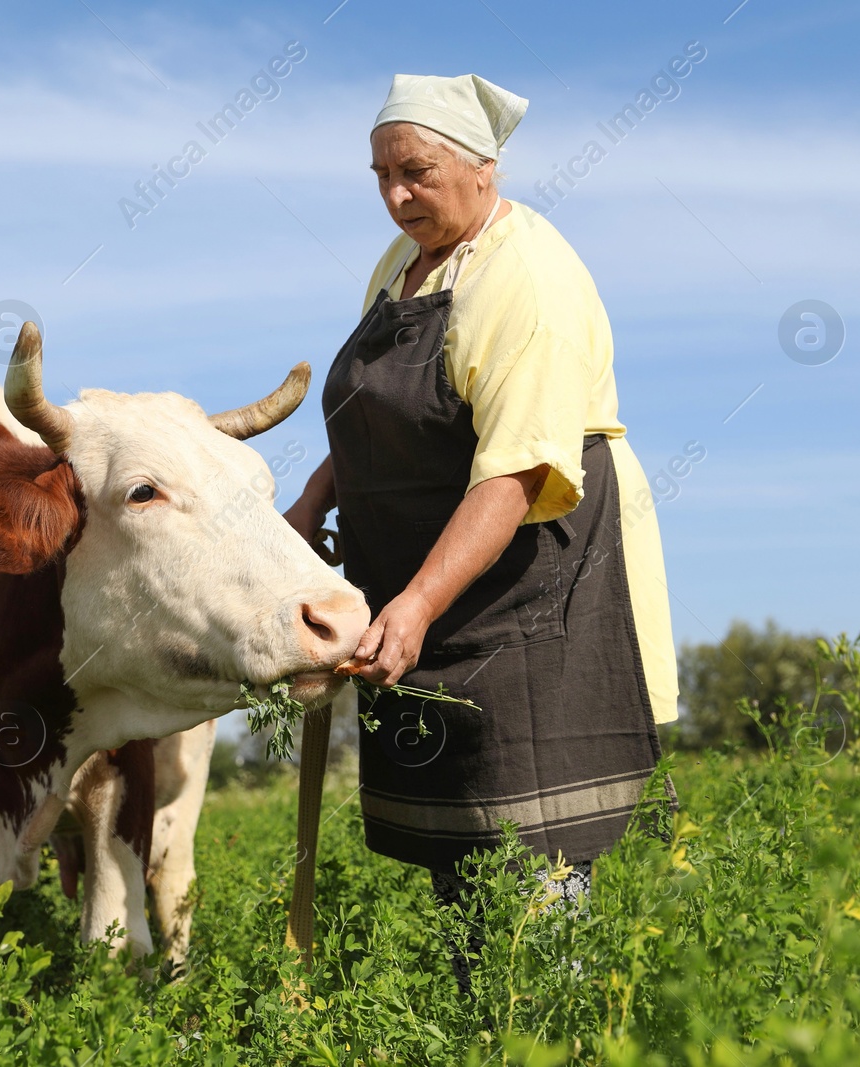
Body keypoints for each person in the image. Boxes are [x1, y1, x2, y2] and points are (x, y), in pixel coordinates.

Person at [284, 73, 679, 987]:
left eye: (415, 173)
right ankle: (489, 1023)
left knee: (530, 844)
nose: (394, 196)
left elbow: (515, 471)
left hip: (531, 585)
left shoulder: (527, 275)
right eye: (380, 174)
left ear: (482, 166)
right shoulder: (403, 263)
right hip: (438, 581)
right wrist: (313, 499)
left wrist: (417, 602)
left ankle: (550, 1030)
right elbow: (374, 412)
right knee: (463, 833)